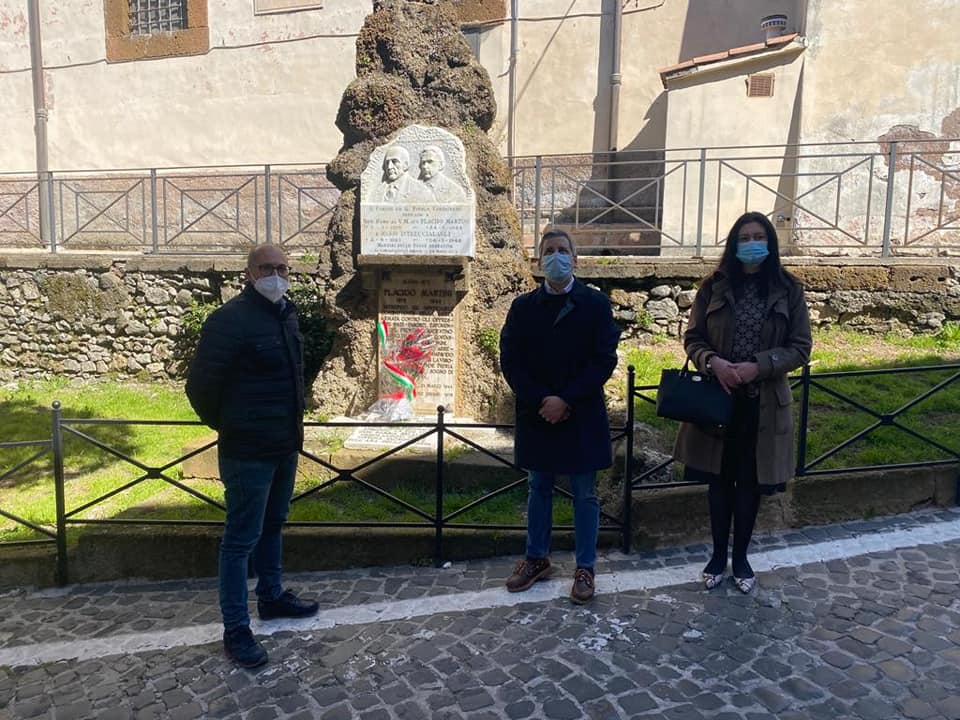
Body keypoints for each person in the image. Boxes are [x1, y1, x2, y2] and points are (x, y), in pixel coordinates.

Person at [186, 245, 319, 668]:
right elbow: (200, 389)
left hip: (283, 444)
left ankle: (272, 596)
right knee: (239, 541)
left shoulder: (286, 314)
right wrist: (233, 425)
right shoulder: (228, 321)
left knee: (274, 525)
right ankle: (236, 630)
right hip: (247, 450)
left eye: (282, 268)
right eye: (267, 268)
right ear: (249, 273)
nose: (276, 275)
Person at [675, 211, 812, 594]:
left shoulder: (789, 289)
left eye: (759, 236)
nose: (752, 243)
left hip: (763, 403)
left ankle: (741, 558)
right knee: (719, 481)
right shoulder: (713, 287)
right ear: (734, 244)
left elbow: (800, 347)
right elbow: (693, 338)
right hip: (716, 401)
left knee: (749, 483)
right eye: (745, 237)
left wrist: (759, 366)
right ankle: (717, 556)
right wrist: (713, 362)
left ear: (769, 242)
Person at [499, 229, 621, 604]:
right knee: (539, 487)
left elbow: (604, 359)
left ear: (575, 259)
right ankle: (537, 558)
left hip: (580, 411)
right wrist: (542, 399)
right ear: (539, 262)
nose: (556, 257)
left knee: (585, 493)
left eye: (562, 251)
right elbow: (511, 360)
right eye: (548, 251)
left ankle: (585, 567)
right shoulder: (522, 308)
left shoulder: (596, 305)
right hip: (539, 412)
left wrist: (566, 399)